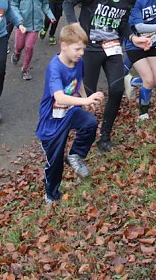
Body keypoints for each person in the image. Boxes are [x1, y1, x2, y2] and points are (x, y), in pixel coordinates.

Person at [63, 0, 150, 152]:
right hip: (90, 47)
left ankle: (105, 137)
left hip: (112, 46)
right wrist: (74, 27)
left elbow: (124, 23)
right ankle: (83, 137)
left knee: (117, 89)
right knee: (89, 94)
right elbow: (69, 2)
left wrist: (133, 37)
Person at [36, 23, 104, 205]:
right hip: (52, 121)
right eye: (77, 49)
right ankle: (51, 195)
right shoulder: (55, 68)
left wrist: (84, 97)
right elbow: (59, 96)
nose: (81, 53)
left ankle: (75, 155)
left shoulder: (78, 61)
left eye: (83, 49)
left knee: (89, 122)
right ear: (63, 45)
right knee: (55, 162)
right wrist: (85, 101)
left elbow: (78, 81)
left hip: (70, 112)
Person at [11, 0, 55, 81]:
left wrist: (50, 16)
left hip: (35, 25)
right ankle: (16, 54)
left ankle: (25, 69)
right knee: (19, 46)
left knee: (29, 47)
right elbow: (14, 5)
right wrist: (19, 20)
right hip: (22, 24)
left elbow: (45, 5)